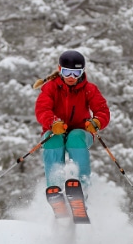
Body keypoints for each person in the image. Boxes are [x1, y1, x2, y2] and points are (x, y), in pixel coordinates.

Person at [33, 50, 110, 200]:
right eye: (67, 72)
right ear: (60, 69)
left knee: (76, 137)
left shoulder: (89, 89)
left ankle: (82, 186)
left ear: (82, 72)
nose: (71, 77)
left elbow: (102, 110)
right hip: (56, 129)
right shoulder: (51, 88)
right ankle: (55, 187)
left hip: (82, 131)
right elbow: (42, 109)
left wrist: (97, 122)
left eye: (76, 73)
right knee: (52, 139)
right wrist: (52, 122)